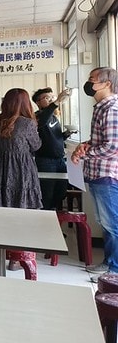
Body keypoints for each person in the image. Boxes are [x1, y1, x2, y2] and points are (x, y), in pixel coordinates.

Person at [0, 88, 42, 273]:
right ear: (26, 103)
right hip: (22, 171)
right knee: (22, 212)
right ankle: (17, 258)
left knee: (0, 212)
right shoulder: (27, 123)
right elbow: (36, 145)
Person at [72, 67, 118, 278]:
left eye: (92, 79)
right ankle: (109, 263)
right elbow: (99, 141)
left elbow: (112, 147)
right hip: (97, 174)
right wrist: (85, 145)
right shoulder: (100, 107)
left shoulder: (111, 108)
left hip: (106, 174)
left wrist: (84, 154)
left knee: (112, 223)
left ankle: (114, 269)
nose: (89, 84)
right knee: (106, 223)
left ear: (106, 83)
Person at [32, 87, 72, 210]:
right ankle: (45, 220)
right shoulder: (37, 116)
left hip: (60, 160)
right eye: (46, 98)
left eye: (52, 97)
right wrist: (56, 102)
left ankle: (53, 216)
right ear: (38, 102)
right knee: (46, 194)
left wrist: (66, 134)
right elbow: (42, 121)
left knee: (61, 191)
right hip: (45, 161)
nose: (50, 99)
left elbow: (54, 138)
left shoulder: (54, 117)